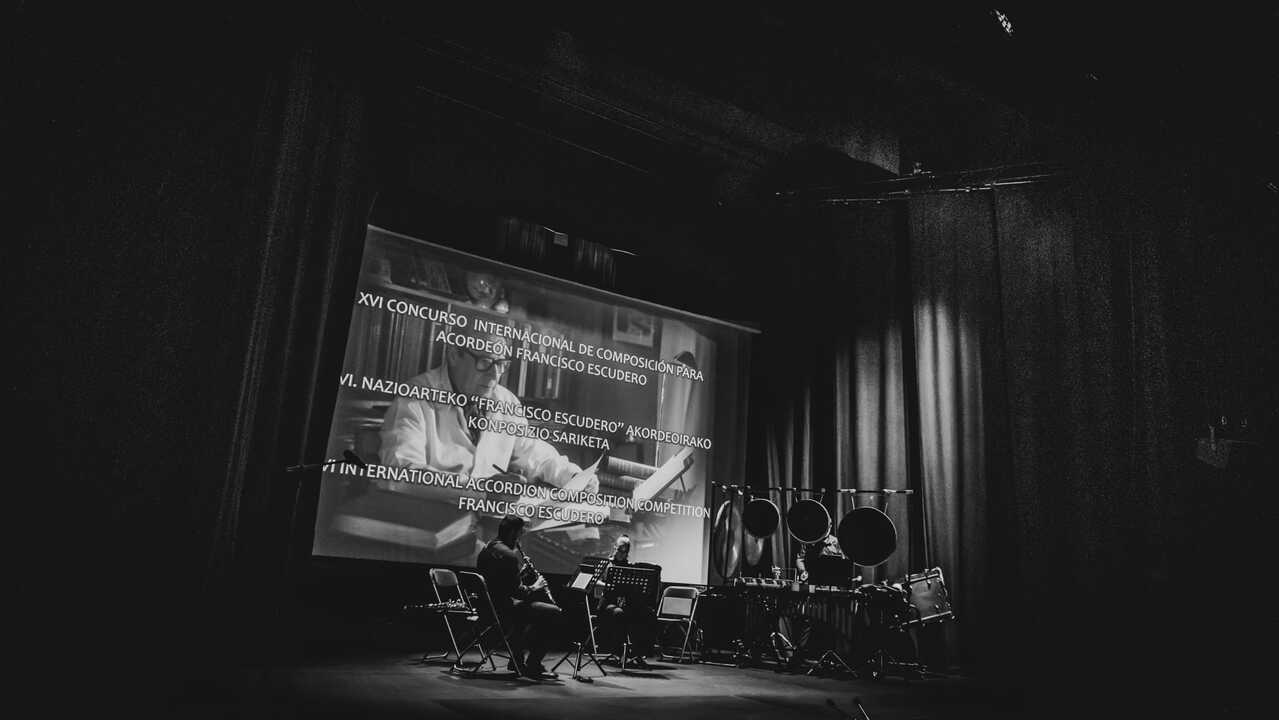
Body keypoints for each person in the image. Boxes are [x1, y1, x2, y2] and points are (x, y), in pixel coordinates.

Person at [476, 514, 562, 679]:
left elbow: (500, 583)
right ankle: (533, 664)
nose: (520, 537)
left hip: (487, 607)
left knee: (528, 610)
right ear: (513, 533)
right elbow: (518, 593)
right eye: (520, 533)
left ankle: (516, 659)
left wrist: (520, 574)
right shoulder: (509, 555)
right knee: (554, 612)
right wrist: (536, 586)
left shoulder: (487, 548)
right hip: (503, 610)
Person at [782, 534, 854, 673]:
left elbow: (844, 563)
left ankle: (835, 658)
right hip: (813, 587)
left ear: (830, 525)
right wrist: (803, 571)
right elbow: (800, 559)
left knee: (833, 623)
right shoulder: (809, 540)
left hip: (831, 589)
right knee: (808, 620)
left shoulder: (837, 542)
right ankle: (798, 657)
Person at [595, 534, 657, 669]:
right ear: (615, 548)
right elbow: (595, 581)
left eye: (626, 551)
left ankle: (638, 653)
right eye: (620, 550)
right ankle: (619, 652)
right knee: (619, 614)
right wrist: (608, 585)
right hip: (608, 603)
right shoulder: (606, 564)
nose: (623, 554)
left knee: (647, 613)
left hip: (626, 603)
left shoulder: (629, 567)